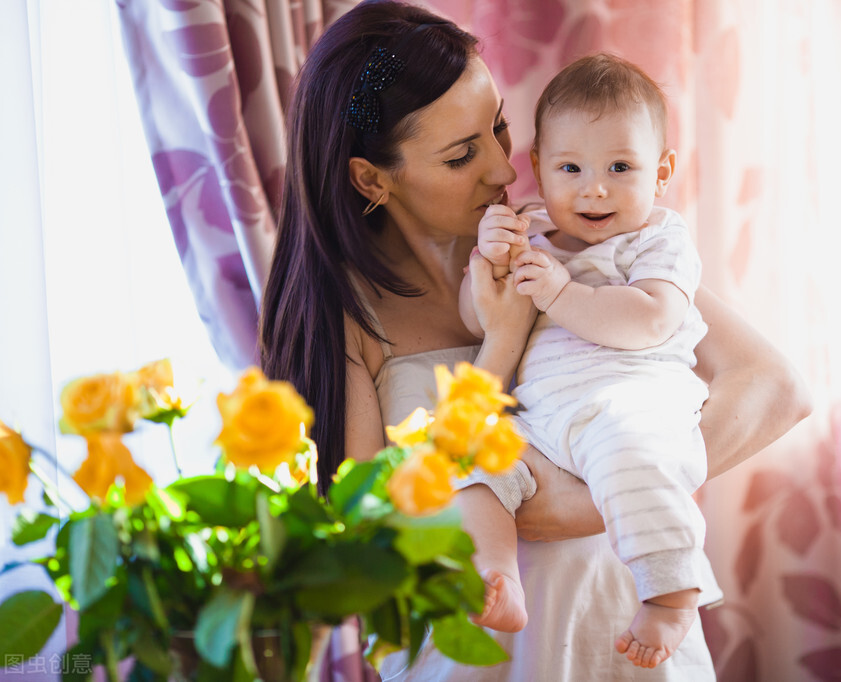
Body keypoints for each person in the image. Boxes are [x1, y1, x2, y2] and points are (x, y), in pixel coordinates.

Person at [258, 1, 812, 680]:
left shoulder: (567, 242)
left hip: (625, 642)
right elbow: (369, 544)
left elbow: (775, 389)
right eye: (462, 154)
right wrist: (503, 340)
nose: (501, 168)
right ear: (372, 178)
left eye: (497, 128)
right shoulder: (346, 317)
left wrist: (598, 495)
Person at [456, 52, 715, 671]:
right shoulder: (531, 230)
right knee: (470, 456)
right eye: (570, 166)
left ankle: (672, 596)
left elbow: (650, 317)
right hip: (545, 420)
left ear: (661, 172)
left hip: (633, 399)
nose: (593, 188)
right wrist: (488, 264)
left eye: (620, 167)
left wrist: (562, 295)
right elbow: (476, 319)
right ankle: (496, 574)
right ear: (538, 169)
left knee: (632, 458)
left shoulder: (659, 238)